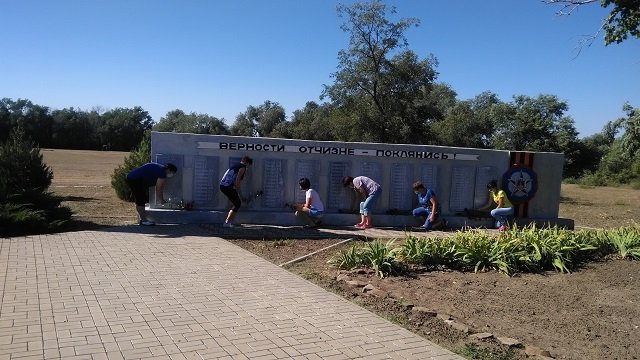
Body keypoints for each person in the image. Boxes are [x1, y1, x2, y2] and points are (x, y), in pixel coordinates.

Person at [219, 156, 253, 228]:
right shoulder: (242, 168)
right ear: (247, 163)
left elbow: (233, 179)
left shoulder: (235, 165)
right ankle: (227, 223)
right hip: (227, 187)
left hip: (223, 186)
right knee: (237, 204)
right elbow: (237, 181)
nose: (248, 168)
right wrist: (241, 196)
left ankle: (227, 221)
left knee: (236, 203)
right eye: (248, 165)